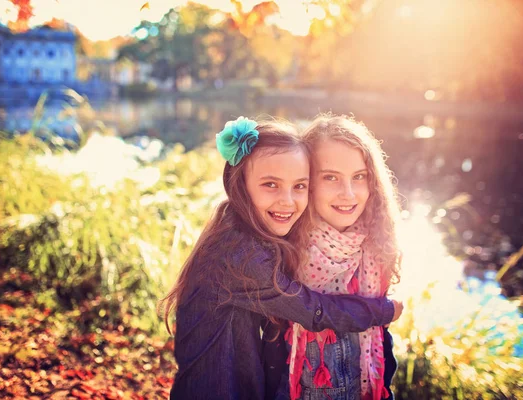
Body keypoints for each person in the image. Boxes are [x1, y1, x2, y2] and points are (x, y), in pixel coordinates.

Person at [159, 117, 403, 400]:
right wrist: (383, 311)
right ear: (239, 185)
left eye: (299, 186)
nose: (288, 201)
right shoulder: (241, 254)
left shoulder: (245, 227)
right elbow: (313, 311)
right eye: (271, 185)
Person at [275, 113, 403, 400]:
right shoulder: (283, 249)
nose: (348, 193)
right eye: (331, 177)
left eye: (359, 177)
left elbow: (382, 351)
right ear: (306, 181)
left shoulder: (375, 246)